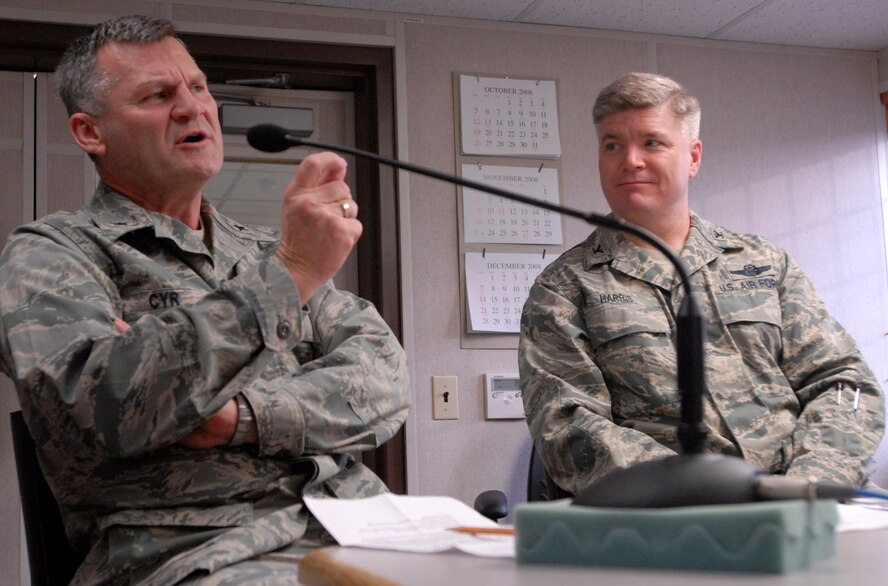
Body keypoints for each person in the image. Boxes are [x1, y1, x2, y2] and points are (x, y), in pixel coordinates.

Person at [0, 14, 410, 585]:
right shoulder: (52, 254)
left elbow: (384, 382)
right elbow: (102, 405)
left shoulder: (267, 249)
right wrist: (287, 278)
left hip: (359, 525)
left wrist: (241, 416)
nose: (194, 108)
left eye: (198, 87)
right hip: (196, 552)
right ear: (90, 132)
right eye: (158, 95)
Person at [519, 71, 884, 497]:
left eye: (651, 142)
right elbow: (566, 423)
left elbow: (843, 382)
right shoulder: (564, 286)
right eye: (613, 145)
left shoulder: (763, 263)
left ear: (693, 157)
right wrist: (704, 492)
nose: (630, 160)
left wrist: (810, 482)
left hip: (809, 499)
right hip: (669, 517)